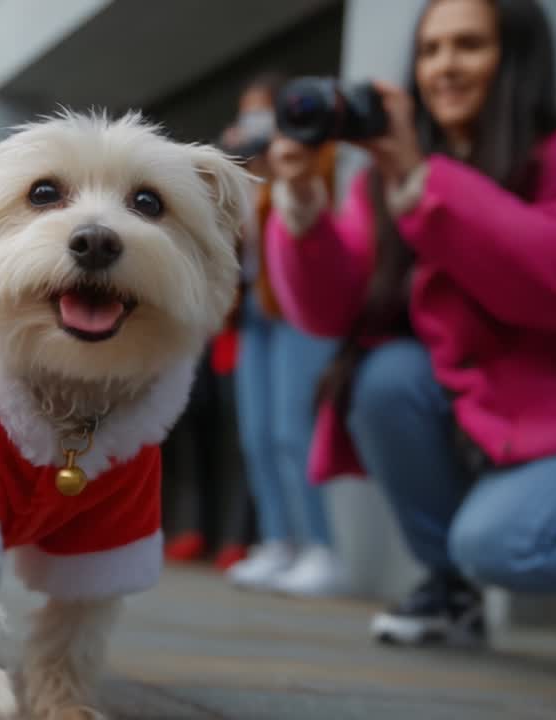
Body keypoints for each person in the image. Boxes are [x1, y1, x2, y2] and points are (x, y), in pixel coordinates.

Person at [264, 0, 556, 679]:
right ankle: (451, 593)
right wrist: (303, 207)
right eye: (430, 51)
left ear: (516, 57)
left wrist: (425, 181)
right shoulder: (391, 180)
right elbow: (332, 310)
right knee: (388, 377)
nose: (444, 67)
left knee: (503, 547)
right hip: (490, 422)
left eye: (468, 46)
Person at [220, 74, 347, 597]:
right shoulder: (248, 173)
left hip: (300, 304)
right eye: (247, 117)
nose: (256, 128)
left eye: (264, 116)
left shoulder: (315, 153)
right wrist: (233, 175)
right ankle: (279, 542)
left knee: (295, 431)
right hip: (254, 309)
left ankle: (321, 547)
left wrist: (280, 164)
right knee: (258, 435)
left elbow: (318, 220)